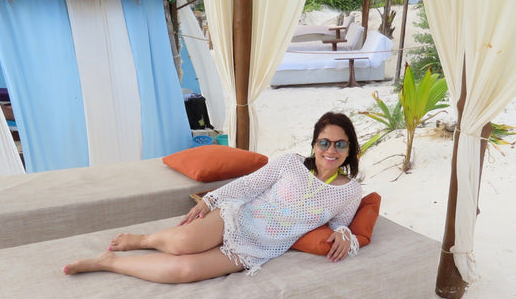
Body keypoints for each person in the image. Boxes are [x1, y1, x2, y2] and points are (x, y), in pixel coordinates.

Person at [63, 112, 362, 283]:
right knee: (182, 243)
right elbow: (248, 185)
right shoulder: (290, 163)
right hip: (239, 217)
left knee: (186, 270)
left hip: (257, 248)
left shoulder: (349, 191)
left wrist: (346, 235)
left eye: (339, 144)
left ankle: (109, 262)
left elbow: (340, 225)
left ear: (350, 149)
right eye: (324, 142)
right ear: (314, 144)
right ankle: (144, 240)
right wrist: (210, 201)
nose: (330, 150)